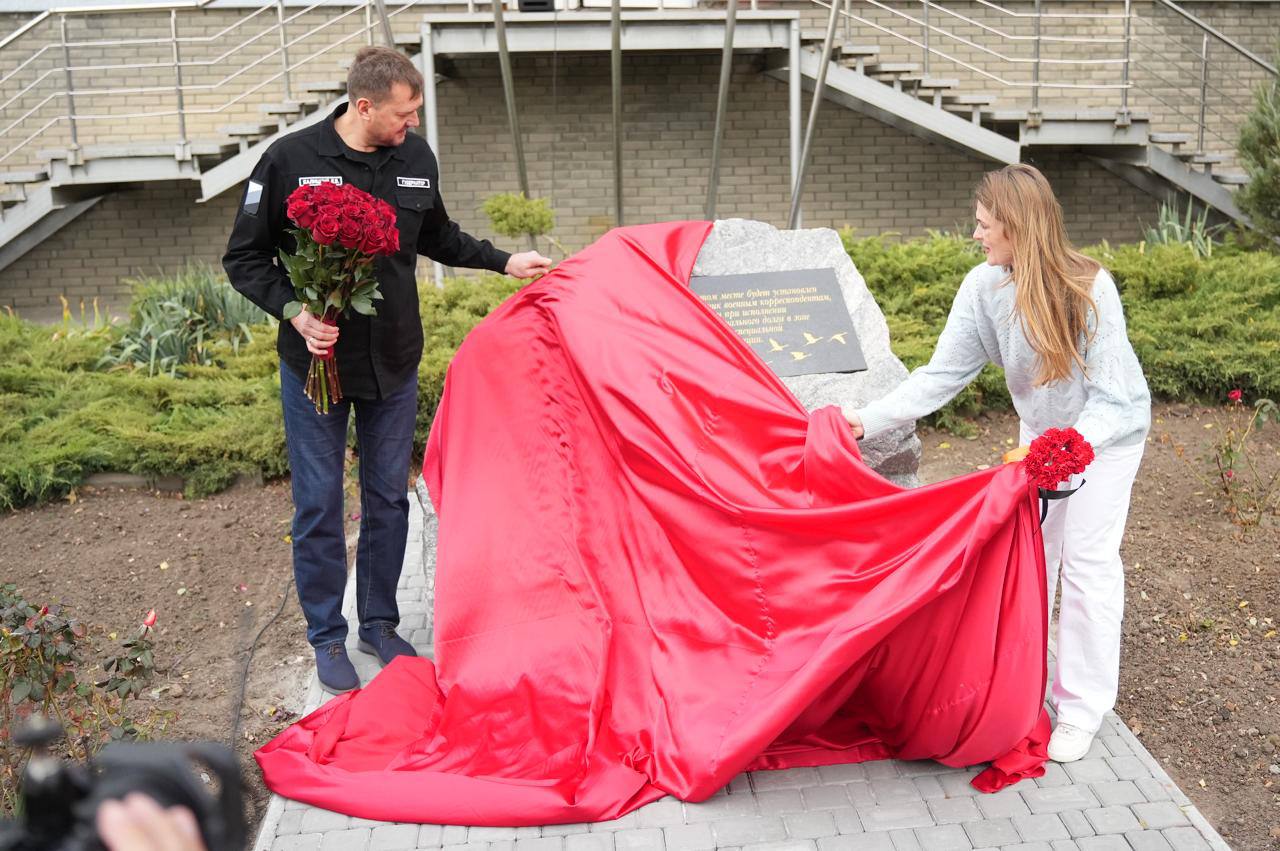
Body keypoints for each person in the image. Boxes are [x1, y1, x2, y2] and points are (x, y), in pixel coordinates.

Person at [223, 46, 551, 694]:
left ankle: (380, 621)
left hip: (394, 364)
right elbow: (245, 258)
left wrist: (503, 259)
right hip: (318, 365)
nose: (411, 127)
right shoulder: (290, 160)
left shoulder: (414, 159)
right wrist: (293, 311)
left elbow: (438, 236)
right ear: (364, 105)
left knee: (387, 501)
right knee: (318, 504)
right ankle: (327, 636)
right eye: (402, 116)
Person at [842, 163, 1151, 763]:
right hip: (1042, 439)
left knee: (1086, 562)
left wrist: (1064, 455)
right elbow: (942, 375)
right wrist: (866, 419)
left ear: (1018, 226)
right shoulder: (983, 288)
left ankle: (1083, 709)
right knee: (1035, 559)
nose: (976, 235)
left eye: (985, 225)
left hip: (1107, 437)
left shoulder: (1090, 287)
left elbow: (1113, 398)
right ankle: (1021, 690)